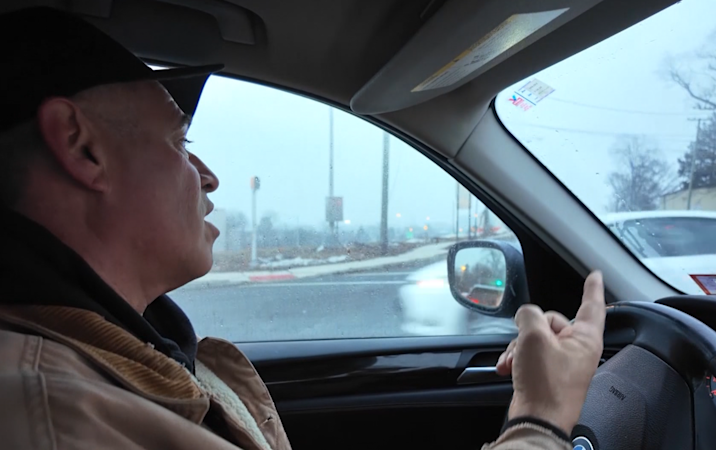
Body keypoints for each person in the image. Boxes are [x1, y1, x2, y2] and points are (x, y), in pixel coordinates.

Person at [0, 6, 606, 450]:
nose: (208, 177)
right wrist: (540, 417)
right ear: (81, 146)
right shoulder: (59, 416)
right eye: (179, 143)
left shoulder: (122, 361)